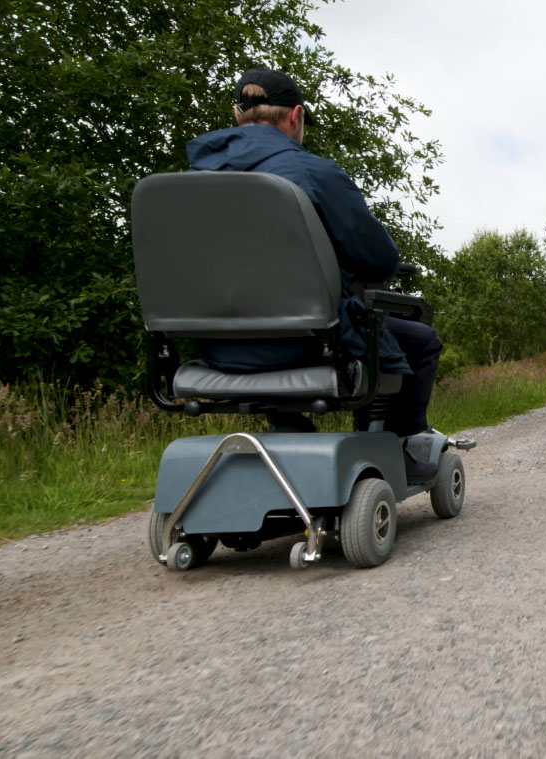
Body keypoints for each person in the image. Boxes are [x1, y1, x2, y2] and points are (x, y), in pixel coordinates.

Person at [186, 68, 441, 480]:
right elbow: (377, 259)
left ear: (237, 116)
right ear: (296, 115)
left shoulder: (190, 184)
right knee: (421, 341)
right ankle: (394, 450)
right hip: (308, 343)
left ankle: (288, 430)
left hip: (216, 348)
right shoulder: (312, 173)